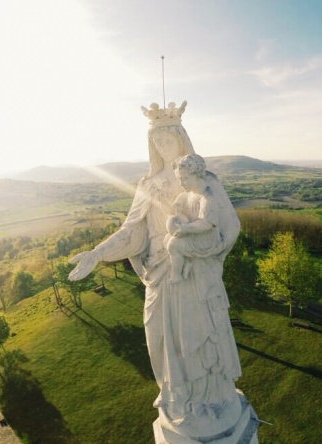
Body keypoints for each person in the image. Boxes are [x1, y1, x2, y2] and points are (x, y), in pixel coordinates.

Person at [68, 102, 242, 424]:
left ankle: (208, 398)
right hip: (160, 272)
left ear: (181, 139)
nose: (162, 146)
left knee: (196, 335)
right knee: (158, 336)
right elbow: (132, 230)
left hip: (195, 274)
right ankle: (176, 394)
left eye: (168, 139)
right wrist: (98, 253)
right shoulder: (147, 185)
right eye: (156, 141)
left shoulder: (205, 180)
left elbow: (228, 226)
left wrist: (199, 246)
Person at [165, 154, 225, 283]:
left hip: (206, 239)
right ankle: (187, 261)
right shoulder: (190, 194)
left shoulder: (207, 198)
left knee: (174, 245)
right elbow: (182, 203)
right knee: (167, 239)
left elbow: (207, 224)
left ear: (197, 175)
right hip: (194, 232)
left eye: (184, 179)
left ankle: (177, 276)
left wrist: (186, 229)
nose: (181, 183)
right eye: (179, 179)